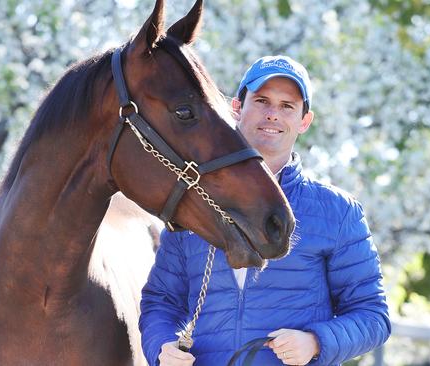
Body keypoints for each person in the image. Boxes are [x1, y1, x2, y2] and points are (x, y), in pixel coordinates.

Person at [139, 55, 391, 366]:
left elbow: (373, 316)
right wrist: (161, 348)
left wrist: (316, 342)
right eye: (261, 101)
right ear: (236, 108)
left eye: (287, 106)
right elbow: (161, 302)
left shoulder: (338, 213)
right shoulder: (192, 203)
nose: (273, 114)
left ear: (304, 121)